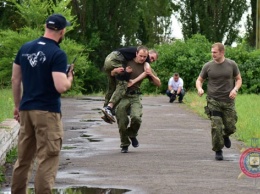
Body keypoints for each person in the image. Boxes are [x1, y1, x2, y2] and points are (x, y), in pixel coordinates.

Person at [11, 14, 74, 193]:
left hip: (26, 110)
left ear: (46, 27)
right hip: (47, 112)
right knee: (47, 158)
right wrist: (69, 78)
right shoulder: (57, 53)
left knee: (23, 159)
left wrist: (18, 106)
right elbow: (61, 86)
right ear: (62, 31)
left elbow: (15, 80)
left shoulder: (25, 48)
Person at [195, 42, 242, 161]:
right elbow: (199, 80)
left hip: (228, 101)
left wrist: (235, 89)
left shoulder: (232, 65)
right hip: (213, 100)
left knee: (230, 127)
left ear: (222, 52)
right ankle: (218, 150)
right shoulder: (208, 66)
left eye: (215, 52)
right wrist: (200, 88)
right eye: (212, 52)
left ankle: (225, 135)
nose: (212, 54)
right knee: (216, 125)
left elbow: (238, 79)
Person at [115, 46, 161, 153]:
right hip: (123, 95)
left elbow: (158, 83)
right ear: (136, 54)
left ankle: (132, 134)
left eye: (145, 57)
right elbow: (114, 73)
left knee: (136, 117)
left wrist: (151, 75)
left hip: (135, 96)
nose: (142, 58)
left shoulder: (146, 67)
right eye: (141, 56)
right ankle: (124, 144)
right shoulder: (127, 62)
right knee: (122, 121)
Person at [102, 47, 158, 123]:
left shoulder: (130, 58)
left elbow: (154, 79)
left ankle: (106, 110)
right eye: (151, 58)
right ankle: (109, 108)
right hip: (113, 59)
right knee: (122, 84)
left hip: (109, 59)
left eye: (153, 60)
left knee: (112, 87)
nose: (150, 60)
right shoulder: (137, 59)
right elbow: (146, 69)